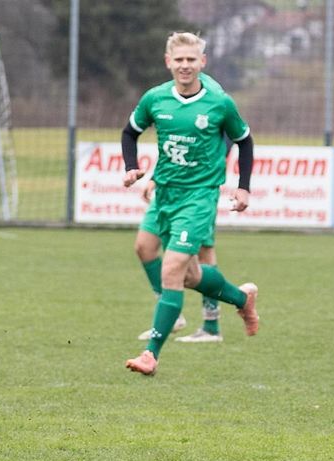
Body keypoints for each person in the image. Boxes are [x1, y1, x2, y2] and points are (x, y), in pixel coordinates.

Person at [120, 31, 259, 376]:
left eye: (191, 60)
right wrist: (132, 168)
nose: (185, 66)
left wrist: (243, 188)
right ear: (169, 62)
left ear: (202, 62)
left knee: (172, 268)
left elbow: (244, 140)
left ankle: (151, 354)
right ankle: (241, 300)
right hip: (165, 192)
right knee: (154, 254)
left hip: (199, 198)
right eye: (179, 60)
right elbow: (129, 132)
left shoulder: (218, 102)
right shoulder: (155, 99)